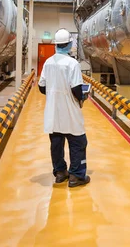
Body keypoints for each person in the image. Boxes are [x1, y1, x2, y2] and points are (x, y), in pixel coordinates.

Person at [38, 29, 90, 187]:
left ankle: (60, 173)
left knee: (56, 144)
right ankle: (76, 176)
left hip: (54, 112)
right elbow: (76, 88)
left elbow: (42, 87)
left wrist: (55, 93)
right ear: (68, 44)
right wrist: (82, 96)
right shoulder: (72, 63)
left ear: (56, 45)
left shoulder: (48, 62)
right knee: (78, 142)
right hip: (70, 111)